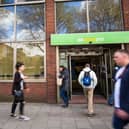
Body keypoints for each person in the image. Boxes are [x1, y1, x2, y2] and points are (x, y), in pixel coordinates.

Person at [112, 49, 129, 129]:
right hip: (119, 108)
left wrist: (126, 109)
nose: (114, 59)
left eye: (116, 57)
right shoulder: (119, 70)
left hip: (125, 109)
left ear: (125, 56)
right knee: (116, 125)